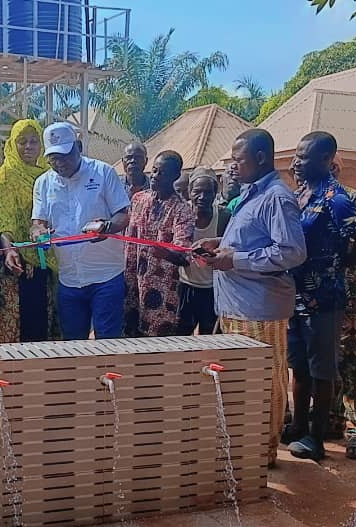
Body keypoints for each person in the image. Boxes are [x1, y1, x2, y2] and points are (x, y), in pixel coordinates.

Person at [194, 128, 307, 468]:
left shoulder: (277, 198)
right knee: (243, 382)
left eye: (238, 160)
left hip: (259, 309)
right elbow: (250, 240)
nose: (233, 167)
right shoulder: (251, 194)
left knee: (266, 383)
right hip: (237, 306)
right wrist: (218, 245)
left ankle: (264, 453)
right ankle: (246, 450)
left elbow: (291, 252)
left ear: (260, 158)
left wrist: (236, 260)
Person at [285, 132, 356, 462]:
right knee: (299, 366)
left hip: (324, 301)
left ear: (326, 160)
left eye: (304, 157)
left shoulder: (337, 200)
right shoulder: (298, 196)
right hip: (295, 298)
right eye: (296, 155)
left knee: (322, 369)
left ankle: (316, 437)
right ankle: (298, 426)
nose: (297, 162)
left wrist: (338, 265)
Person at [32, 122, 131, 340]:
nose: (60, 163)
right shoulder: (43, 183)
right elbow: (38, 223)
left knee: (108, 343)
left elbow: (123, 215)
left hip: (106, 277)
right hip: (69, 280)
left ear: (78, 146)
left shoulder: (103, 172)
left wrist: (107, 226)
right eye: (53, 159)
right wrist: (38, 233)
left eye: (65, 156)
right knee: (73, 345)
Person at [0, 119, 60, 343]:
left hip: (48, 260)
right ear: (13, 144)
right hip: (19, 265)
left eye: (34, 141)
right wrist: (10, 250)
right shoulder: (7, 174)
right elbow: (4, 220)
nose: (28, 147)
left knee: (47, 325)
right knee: (24, 328)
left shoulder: (49, 174)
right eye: (22, 141)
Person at [329, 154, 356, 460]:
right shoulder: (303, 198)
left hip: (348, 292)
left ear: (331, 167)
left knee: (349, 358)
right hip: (317, 294)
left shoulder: (350, 199)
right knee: (323, 359)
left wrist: (337, 268)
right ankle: (331, 418)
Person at [123, 151, 195, 337]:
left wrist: (165, 253)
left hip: (160, 294)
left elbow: (184, 256)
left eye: (162, 173)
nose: (155, 176)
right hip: (132, 285)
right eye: (154, 170)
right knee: (128, 337)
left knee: (155, 344)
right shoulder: (138, 199)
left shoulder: (182, 210)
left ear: (175, 176)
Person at [176, 167, 230, 336]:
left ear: (215, 192)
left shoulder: (224, 216)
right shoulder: (182, 214)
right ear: (189, 192)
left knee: (210, 337)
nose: (202, 197)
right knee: (180, 335)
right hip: (185, 285)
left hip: (213, 288)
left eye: (208, 192)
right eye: (197, 192)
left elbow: (230, 247)